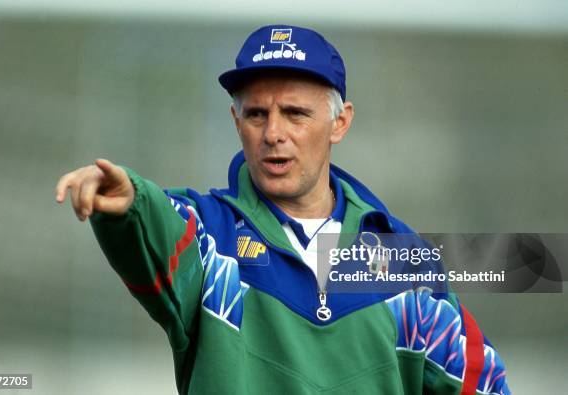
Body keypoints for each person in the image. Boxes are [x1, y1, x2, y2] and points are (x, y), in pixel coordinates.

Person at [55, 24, 510, 394]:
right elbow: (158, 223)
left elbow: (480, 381)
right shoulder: (212, 238)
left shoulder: (402, 261)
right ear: (237, 123)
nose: (273, 133)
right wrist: (128, 200)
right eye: (257, 115)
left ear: (340, 122)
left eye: (295, 113)